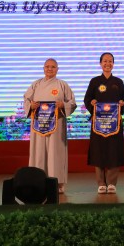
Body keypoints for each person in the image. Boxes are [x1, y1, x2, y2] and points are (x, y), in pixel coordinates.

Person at [23, 58, 77, 194]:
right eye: (47, 66)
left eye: (53, 67)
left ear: (57, 69)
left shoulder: (62, 85)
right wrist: (31, 105)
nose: (50, 69)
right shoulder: (36, 85)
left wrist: (63, 105)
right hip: (38, 125)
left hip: (56, 125)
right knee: (38, 152)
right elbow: (26, 100)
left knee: (56, 153)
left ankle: (57, 183)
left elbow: (72, 103)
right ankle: (37, 182)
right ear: (43, 68)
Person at [84, 52, 124, 194]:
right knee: (98, 151)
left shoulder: (118, 82)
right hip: (98, 123)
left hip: (114, 123)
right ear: (100, 63)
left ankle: (111, 183)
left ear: (113, 64)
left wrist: (122, 103)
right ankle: (101, 183)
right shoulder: (94, 81)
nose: (107, 64)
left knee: (113, 150)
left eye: (110, 61)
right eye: (105, 61)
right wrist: (92, 103)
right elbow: (87, 99)